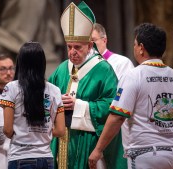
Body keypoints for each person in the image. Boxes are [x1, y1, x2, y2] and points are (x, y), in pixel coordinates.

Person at [88, 23, 173, 169]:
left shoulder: (133, 76)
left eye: (135, 44)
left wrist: (98, 149)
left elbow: (118, 117)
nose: (134, 47)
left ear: (141, 48)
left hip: (146, 154)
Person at [49, 2, 127, 169]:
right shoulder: (62, 69)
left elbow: (112, 106)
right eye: (69, 47)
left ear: (90, 46)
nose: (72, 52)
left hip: (88, 140)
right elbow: (47, 95)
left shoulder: (103, 70)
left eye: (77, 47)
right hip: (61, 140)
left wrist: (79, 106)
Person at [0, 42, 65, 169]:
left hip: (20, 156)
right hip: (46, 158)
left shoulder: (11, 88)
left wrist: (22, 133)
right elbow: (61, 130)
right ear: (43, 63)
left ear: (20, 62)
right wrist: (44, 132)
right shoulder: (55, 90)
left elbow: (7, 130)